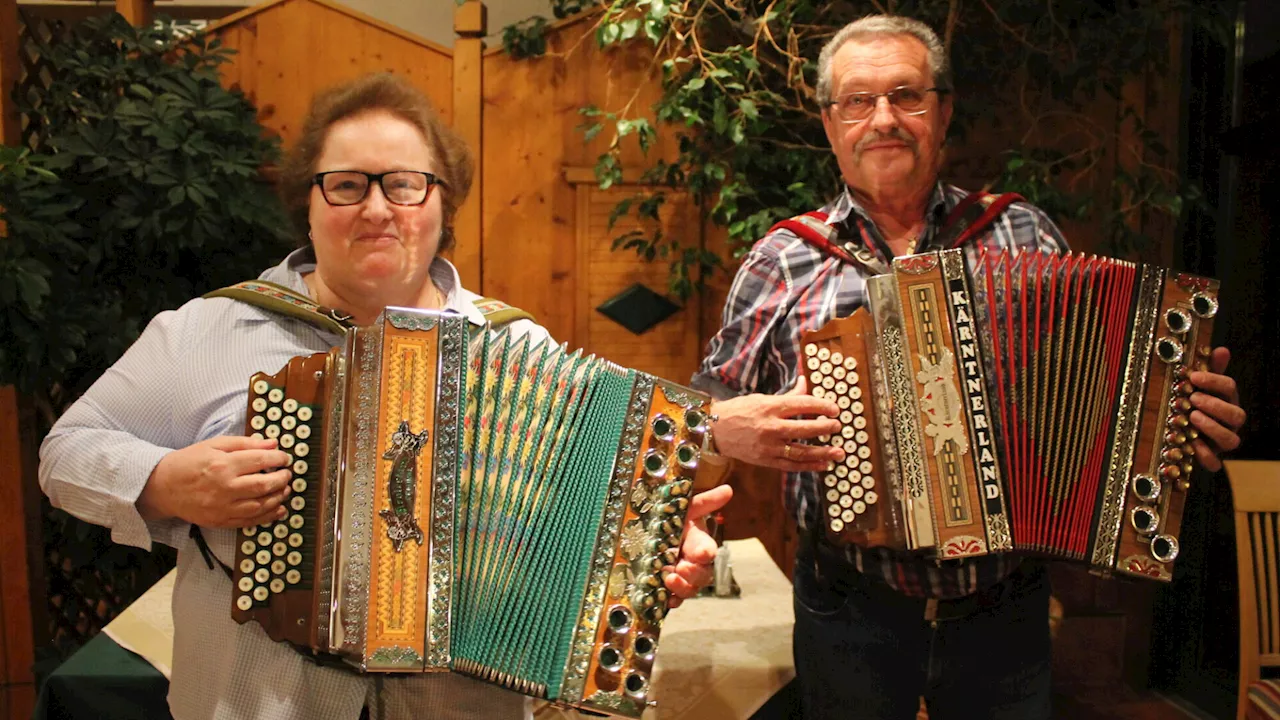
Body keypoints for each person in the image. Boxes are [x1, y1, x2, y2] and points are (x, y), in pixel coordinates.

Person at [39, 72, 731, 720]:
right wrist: (163, 482)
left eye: (403, 184)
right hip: (261, 699)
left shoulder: (519, 350)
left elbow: (578, 533)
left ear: (442, 203)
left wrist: (650, 550)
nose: (376, 209)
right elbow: (65, 452)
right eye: (345, 185)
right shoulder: (212, 329)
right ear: (308, 204)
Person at [692, 15, 1246, 720]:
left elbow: (1096, 383)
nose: (884, 119)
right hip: (849, 610)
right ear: (831, 124)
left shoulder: (1021, 233)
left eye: (907, 96)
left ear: (943, 112)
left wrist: (1172, 413)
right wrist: (718, 427)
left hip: (1003, 615)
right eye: (859, 101)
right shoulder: (782, 259)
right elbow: (697, 427)